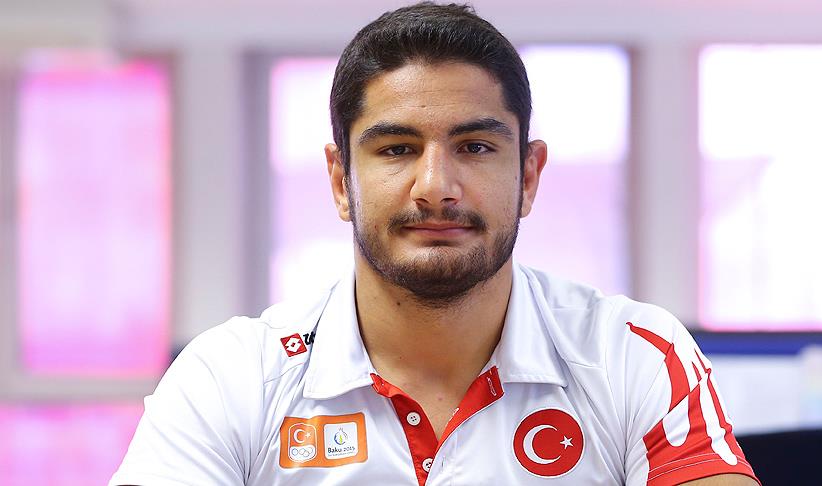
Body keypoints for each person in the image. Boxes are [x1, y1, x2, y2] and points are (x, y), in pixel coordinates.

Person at [111, 3, 760, 485]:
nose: (436, 187)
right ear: (340, 181)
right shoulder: (231, 376)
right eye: (397, 149)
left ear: (528, 176)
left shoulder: (633, 354)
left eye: (474, 147)